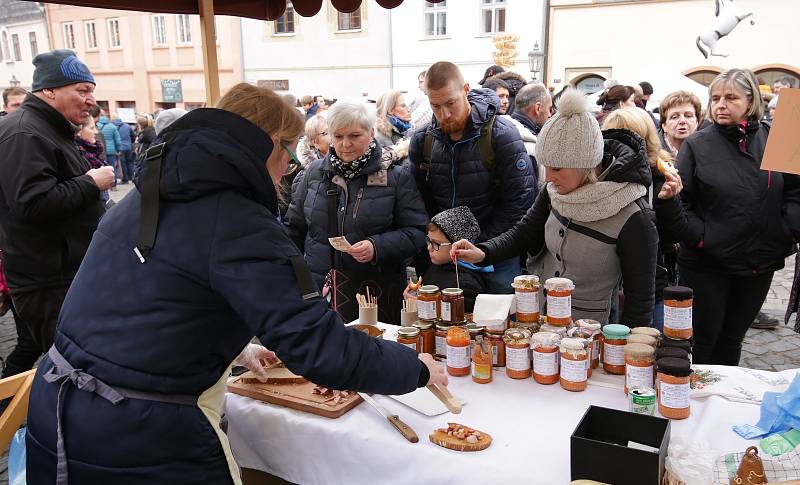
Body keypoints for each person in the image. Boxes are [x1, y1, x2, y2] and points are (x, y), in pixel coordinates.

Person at [25, 83, 447, 484]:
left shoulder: (150, 191)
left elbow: (150, 296)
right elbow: (322, 350)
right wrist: (415, 368)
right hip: (141, 435)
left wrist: (235, 347)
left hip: (60, 407)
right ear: (267, 145)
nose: (292, 165)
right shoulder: (239, 221)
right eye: (287, 150)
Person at [451, 89, 658, 326]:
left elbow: (640, 301)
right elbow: (525, 232)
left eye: (557, 168)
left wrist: (625, 351)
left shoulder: (634, 216)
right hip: (538, 322)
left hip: (590, 335)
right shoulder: (554, 191)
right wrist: (484, 252)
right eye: (545, 166)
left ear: (586, 164)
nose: (548, 177)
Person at [0, 50, 114, 380]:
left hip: (66, 275)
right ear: (49, 90)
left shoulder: (47, 129)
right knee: (76, 372)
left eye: (91, 91)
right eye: (81, 90)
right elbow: (32, 204)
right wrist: (90, 183)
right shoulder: (25, 132)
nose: (91, 100)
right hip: (49, 282)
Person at [676, 68, 800, 365]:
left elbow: (796, 191)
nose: (721, 104)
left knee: (733, 338)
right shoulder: (697, 144)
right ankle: (696, 398)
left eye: (730, 97)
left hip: (759, 261)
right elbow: (682, 201)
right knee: (704, 339)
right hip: (708, 264)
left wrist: (786, 230)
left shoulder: (778, 136)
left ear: (750, 100)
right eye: (715, 98)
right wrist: (702, 238)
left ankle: (725, 400)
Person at [285, 100, 428, 326]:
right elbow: (294, 228)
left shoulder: (396, 177)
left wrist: (377, 246)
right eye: (338, 136)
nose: (345, 145)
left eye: (354, 136)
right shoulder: (314, 173)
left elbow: (417, 232)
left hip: (375, 293)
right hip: (319, 290)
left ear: (371, 133)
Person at [408, 61, 534, 293]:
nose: (444, 114)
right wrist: (440, 242)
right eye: (435, 106)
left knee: (499, 323)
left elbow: (520, 203)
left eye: (450, 103)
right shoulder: (421, 140)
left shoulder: (501, 135)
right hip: (447, 256)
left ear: (466, 90)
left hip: (498, 255)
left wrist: (481, 244)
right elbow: (418, 202)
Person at [602, 107, 685, 330]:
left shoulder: (659, 177)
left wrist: (669, 201)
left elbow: (675, 234)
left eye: (627, 138)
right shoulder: (598, 177)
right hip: (605, 285)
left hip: (650, 286)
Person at [423, 206, 490, 312]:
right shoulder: (439, 265)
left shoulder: (465, 285)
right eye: (428, 240)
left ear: (458, 247)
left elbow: (458, 319)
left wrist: (421, 304)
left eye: (436, 243)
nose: (429, 247)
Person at [507, 82, 553, 189]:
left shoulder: (505, 131)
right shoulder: (529, 146)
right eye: (549, 109)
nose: (550, 114)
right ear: (538, 108)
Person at [76, 115, 111, 202]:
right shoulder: (80, 155)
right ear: (79, 131)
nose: (96, 132)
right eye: (92, 128)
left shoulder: (93, 152)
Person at [658, 91, 702, 157]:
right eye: (675, 117)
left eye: (688, 116)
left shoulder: (707, 150)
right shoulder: (651, 153)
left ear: (697, 122)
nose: (682, 121)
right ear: (664, 125)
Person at [97, 111, 122, 181]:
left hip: (101, 150)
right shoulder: (112, 127)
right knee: (112, 167)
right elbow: (118, 141)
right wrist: (118, 150)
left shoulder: (96, 126)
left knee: (102, 168)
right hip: (111, 150)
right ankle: (113, 184)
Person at [111, 113, 134, 184]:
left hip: (120, 148)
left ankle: (125, 179)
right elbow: (133, 136)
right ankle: (132, 177)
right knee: (130, 162)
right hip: (128, 147)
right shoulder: (127, 126)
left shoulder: (112, 126)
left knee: (122, 164)